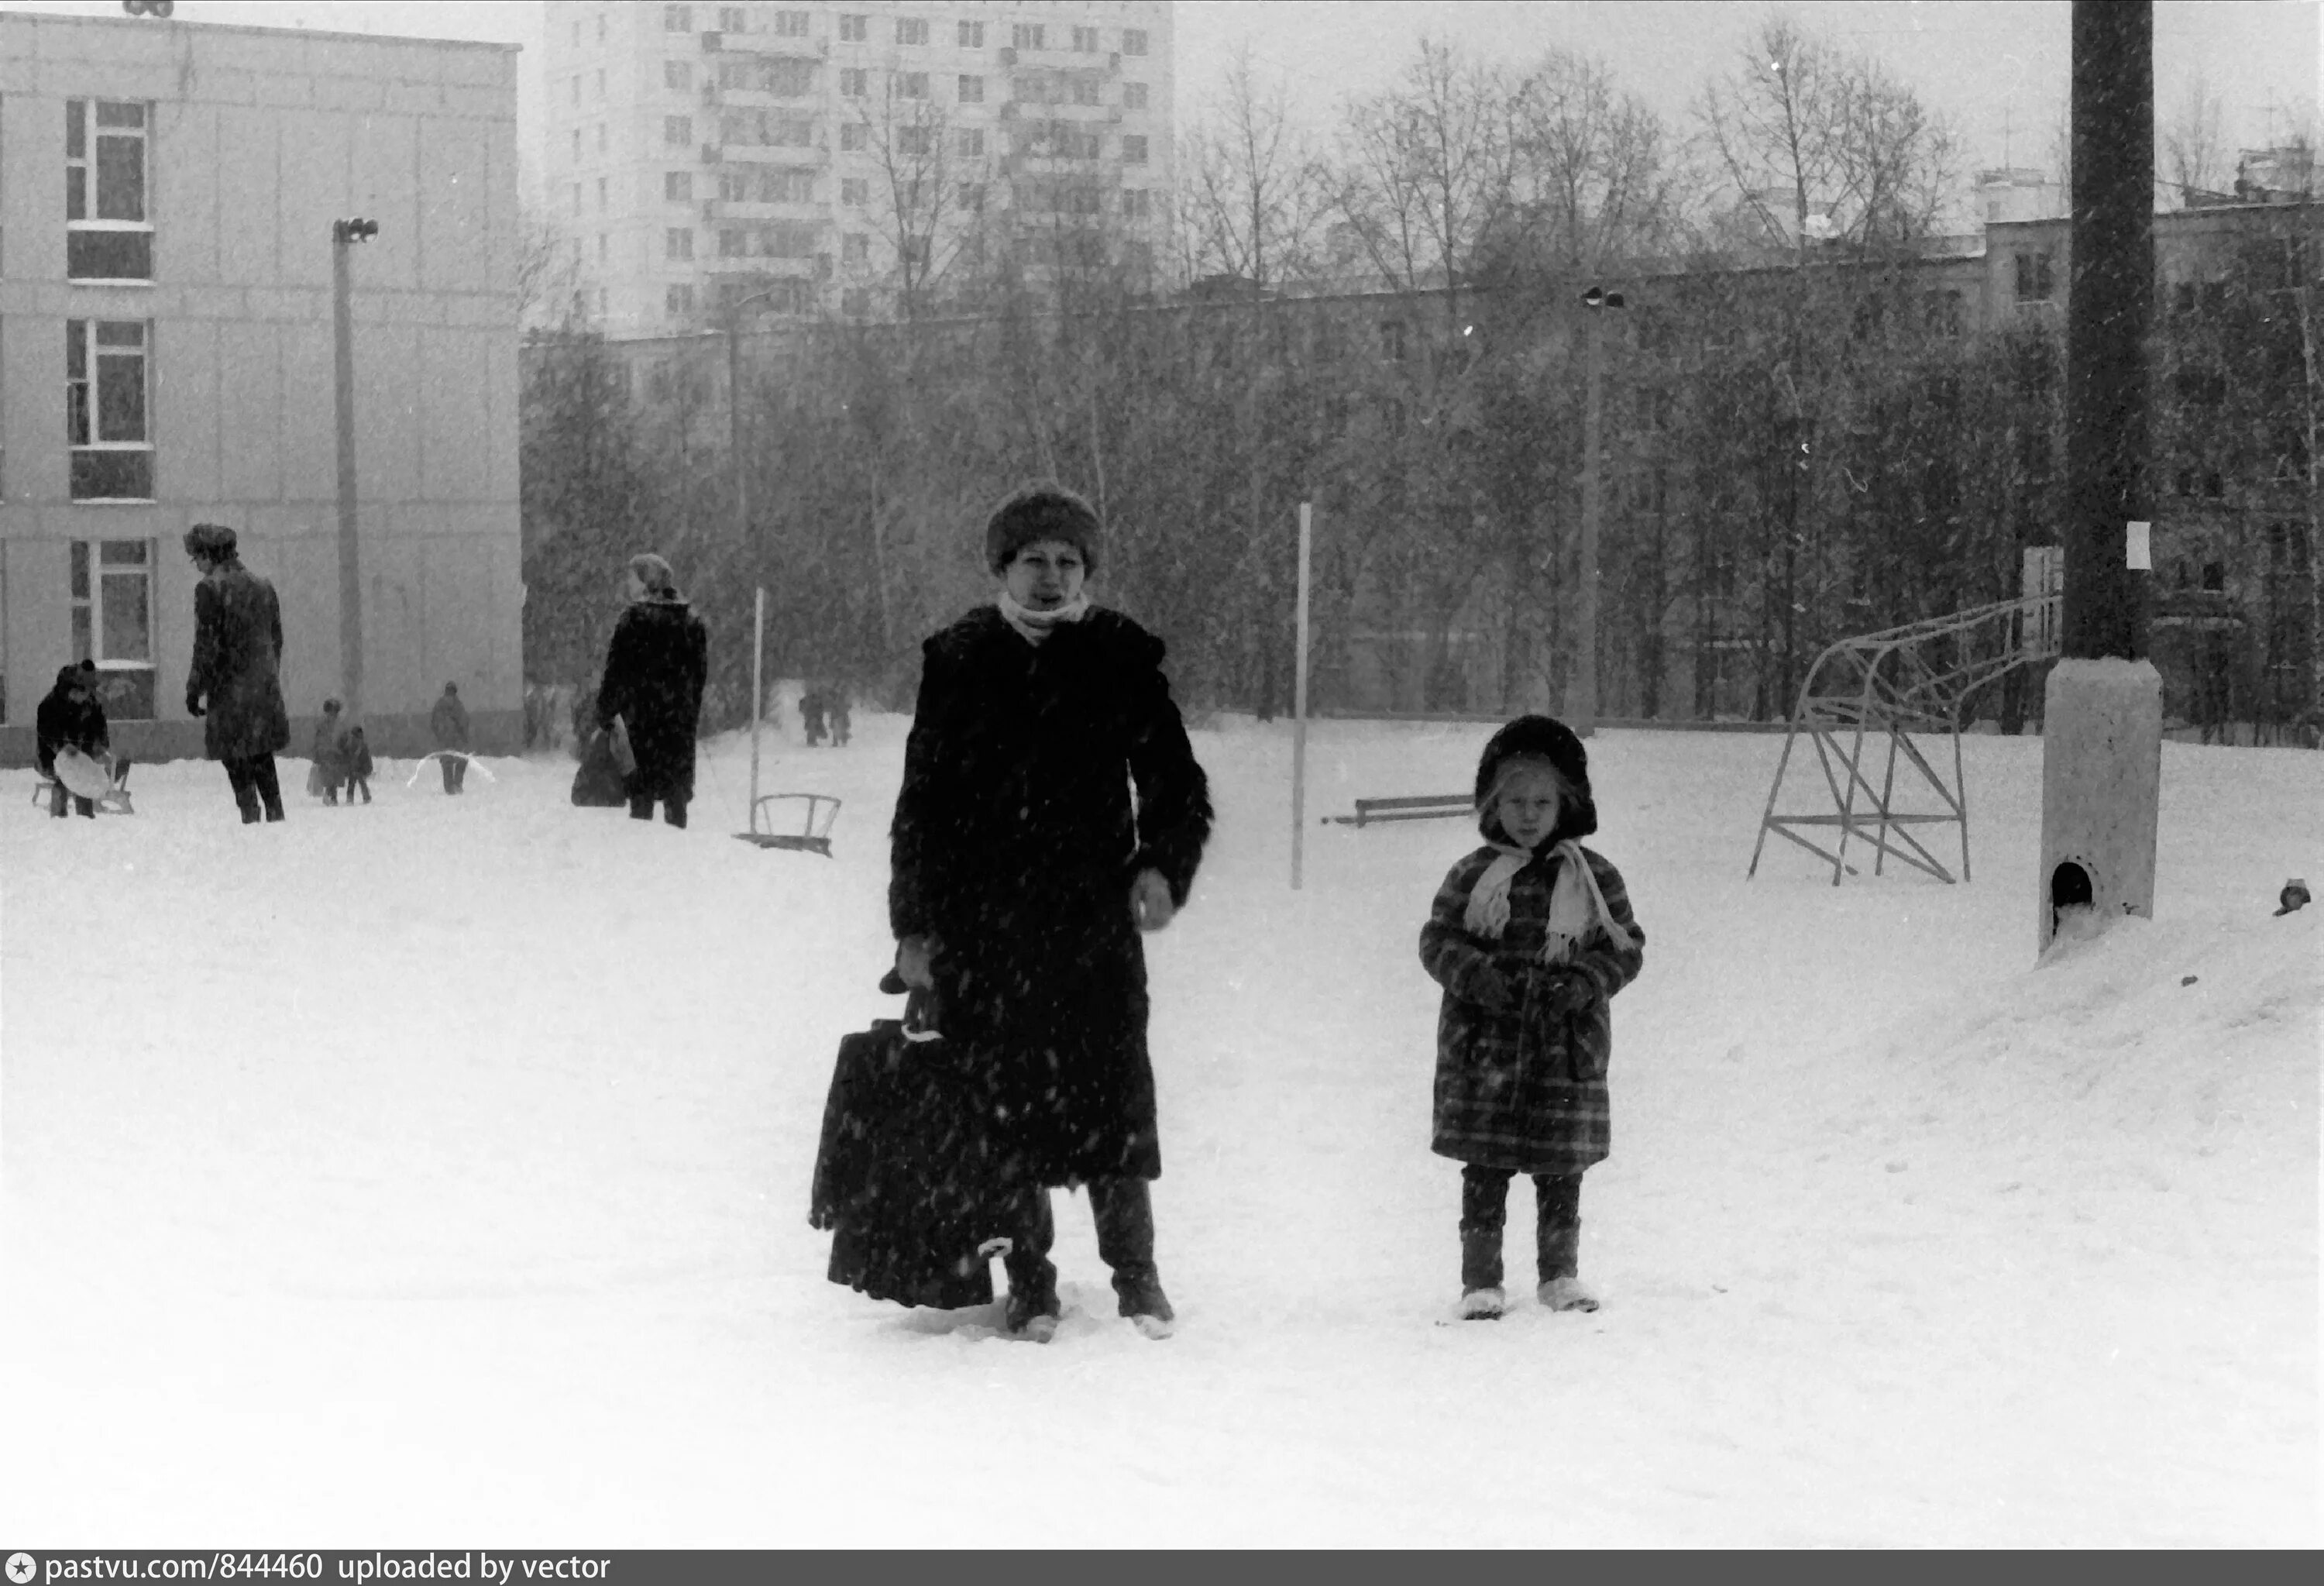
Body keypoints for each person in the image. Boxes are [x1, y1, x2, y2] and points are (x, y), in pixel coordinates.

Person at [889, 483, 1213, 1343]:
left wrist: (1160, 867)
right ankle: (1031, 1278)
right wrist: (915, 926)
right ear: (1004, 567)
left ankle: (1136, 1275)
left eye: (1067, 561)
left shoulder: (1118, 655)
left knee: (1111, 1097)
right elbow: (922, 801)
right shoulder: (960, 657)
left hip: (1090, 924)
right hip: (985, 926)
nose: (1050, 575)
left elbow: (1176, 785)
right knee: (1006, 1107)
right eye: (1034, 559)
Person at [1418, 715, 1645, 1321]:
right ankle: (1481, 1280)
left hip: (1563, 1052)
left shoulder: (1593, 879)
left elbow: (1625, 948)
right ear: (1493, 804)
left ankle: (1559, 1273)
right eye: (1515, 801)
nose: (1528, 813)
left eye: (1542, 801)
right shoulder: (1473, 876)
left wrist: (1582, 984)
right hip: (1485, 1048)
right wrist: (1478, 977)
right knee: (1485, 1170)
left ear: (1566, 803)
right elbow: (1437, 939)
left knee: (1561, 1169)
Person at [183, 522, 290, 824]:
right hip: (263, 689)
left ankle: (250, 818)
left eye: (196, 558)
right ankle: (276, 815)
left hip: (230, 692)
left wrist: (195, 688)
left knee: (236, 758)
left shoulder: (210, 589)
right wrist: (268, 676)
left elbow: (207, 645)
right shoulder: (263, 586)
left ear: (208, 554)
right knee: (262, 756)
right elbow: (276, 639)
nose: (197, 566)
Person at [595, 552, 708, 828]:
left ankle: (644, 853)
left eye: (632, 578)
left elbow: (616, 671)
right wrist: (687, 708)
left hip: (642, 721)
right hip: (678, 724)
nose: (628, 584)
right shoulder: (690, 620)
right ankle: (678, 850)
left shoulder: (633, 619)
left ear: (646, 581)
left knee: (642, 796)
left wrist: (606, 710)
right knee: (675, 795)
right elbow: (699, 675)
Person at [36, 664, 110, 818]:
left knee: (84, 782)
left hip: (82, 755)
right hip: (53, 756)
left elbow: (99, 729)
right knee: (62, 782)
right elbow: (47, 733)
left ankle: (85, 818)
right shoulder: (49, 706)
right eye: (81, 693)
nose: (84, 697)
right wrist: (62, 748)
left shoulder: (91, 705)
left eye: (87, 693)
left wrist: (100, 746)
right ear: (69, 690)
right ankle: (59, 818)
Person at [430, 681, 472, 793]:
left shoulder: (439, 705)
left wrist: (439, 735)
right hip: (457, 739)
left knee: (447, 764)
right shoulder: (458, 705)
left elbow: (433, 723)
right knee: (462, 760)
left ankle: (449, 788)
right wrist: (464, 737)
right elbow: (464, 722)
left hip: (444, 740)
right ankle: (457, 784)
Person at [309, 700, 349, 803]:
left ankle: (332, 796)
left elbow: (344, 738)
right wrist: (317, 752)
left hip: (336, 754)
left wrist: (344, 751)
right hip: (326, 754)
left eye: (335, 711)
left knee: (334, 777)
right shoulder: (322, 724)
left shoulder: (340, 724)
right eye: (331, 711)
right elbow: (318, 739)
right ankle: (330, 795)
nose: (333, 714)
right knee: (328, 777)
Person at [342, 724, 375, 803]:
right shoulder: (362, 744)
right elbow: (365, 757)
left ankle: (350, 798)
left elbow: (350, 754)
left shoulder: (354, 743)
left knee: (353, 783)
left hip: (356, 766)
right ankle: (366, 797)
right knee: (361, 783)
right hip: (359, 766)